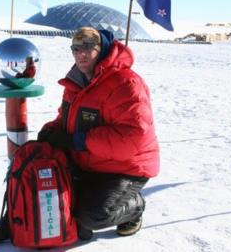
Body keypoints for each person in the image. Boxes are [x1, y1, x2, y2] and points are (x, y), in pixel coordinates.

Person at [37, 27, 159, 240]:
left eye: (87, 47)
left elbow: (132, 138)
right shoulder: (77, 81)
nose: (80, 54)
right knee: (60, 202)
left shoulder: (126, 83)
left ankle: (135, 207)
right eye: (75, 48)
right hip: (90, 162)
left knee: (92, 216)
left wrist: (79, 140)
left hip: (126, 167)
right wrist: (52, 130)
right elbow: (66, 118)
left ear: (101, 49)